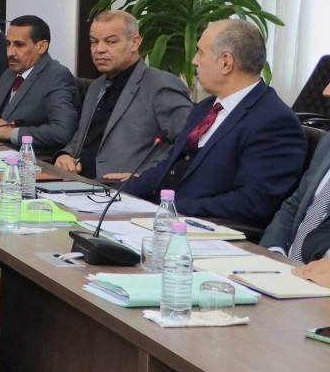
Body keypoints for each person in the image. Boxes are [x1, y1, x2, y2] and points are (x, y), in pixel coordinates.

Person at [121, 20, 306, 230]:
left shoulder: (274, 121)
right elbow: (169, 167)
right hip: (162, 220)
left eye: (200, 53)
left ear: (226, 62)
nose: (194, 61)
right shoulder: (206, 107)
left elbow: (254, 202)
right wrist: (118, 195)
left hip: (205, 231)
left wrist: (171, 210)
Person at [54, 11, 192, 180]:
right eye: (94, 42)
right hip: (79, 183)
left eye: (111, 42)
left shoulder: (160, 85)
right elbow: (82, 136)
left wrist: (144, 176)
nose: (99, 49)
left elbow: (188, 143)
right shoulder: (96, 86)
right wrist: (66, 154)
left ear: (135, 42)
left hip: (124, 189)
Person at [0, 15, 81, 156]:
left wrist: (12, 133)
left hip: (30, 161)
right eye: (8, 44)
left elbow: (62, 131)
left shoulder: (56, 76)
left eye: (19, 45)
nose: (10, 53)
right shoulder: (10, 73)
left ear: (41, 46)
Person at [261, 76, 330, 268]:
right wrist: (273, 252)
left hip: (318, 275)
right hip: (283, 268)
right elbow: (295, 204)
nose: (326, 92)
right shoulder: (328, 142)